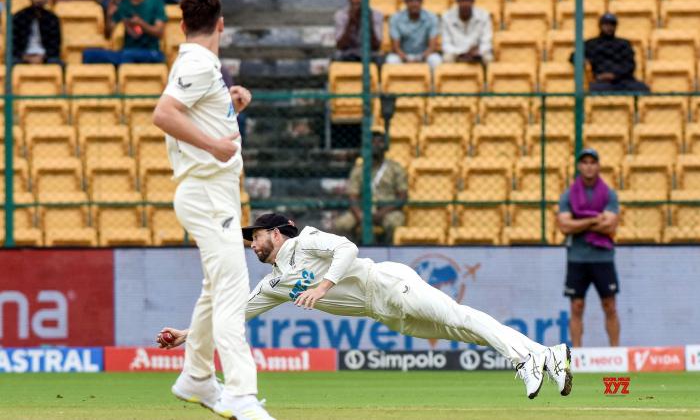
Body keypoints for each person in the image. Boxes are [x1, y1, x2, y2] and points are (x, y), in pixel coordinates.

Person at [157, 213, 574, 400]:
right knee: (462, 330)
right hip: (386, 312)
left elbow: (348, 248)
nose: (252, 243)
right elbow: (235, 316)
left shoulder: (305, 241)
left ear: (278, 233)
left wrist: (323, 286)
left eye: (257, 235)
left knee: (461, 318)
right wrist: (186, 334)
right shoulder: (275, 283)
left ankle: (525, 360)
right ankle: (547, 355)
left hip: (388, 283)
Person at [152, 0, 274, 420]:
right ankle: (241, 396)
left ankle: (196, 378)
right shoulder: (199, 63)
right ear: (221, 24)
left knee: (214, 290)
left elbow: (196, 121)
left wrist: (231, 108)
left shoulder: (201, 66)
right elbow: (164, 113)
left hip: (212, 191)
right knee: (232, 293)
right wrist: (215, 145)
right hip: (206, 192)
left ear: (183, 25)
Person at [557, 149, 621, 348]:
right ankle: (577, 354)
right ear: (579, 166)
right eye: (584, 162)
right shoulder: (568, 195)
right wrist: (595, 218)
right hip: (577, 258)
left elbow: (610, 225)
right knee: (576, 306)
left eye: (592, 162)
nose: (588, 166)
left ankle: (615, 352)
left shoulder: (609, 194)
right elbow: (564, 226)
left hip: (603, 257)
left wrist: (579, 222)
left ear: (598, 165)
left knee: (609, 306)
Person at [335, 129, 407, 244]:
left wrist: (381, 213)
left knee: (394, 223)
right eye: (373, 142)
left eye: (380, 142)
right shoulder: (358, 169)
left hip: (387, 210)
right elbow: (352, 197)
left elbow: (402, 197)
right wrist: (360, 215)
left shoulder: (395, 168)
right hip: (363, 210)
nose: (376, 145)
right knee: (342, 224)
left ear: (385, 146)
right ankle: (351, 250)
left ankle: (388, 251)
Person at [84, 0, 167, 65]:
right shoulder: (122, 4)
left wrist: (141, 23)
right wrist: (109, 16)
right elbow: (108, 34)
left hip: (151, 53)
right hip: (127, 53)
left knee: (126, 56)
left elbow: (159, 32)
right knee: (89, 54)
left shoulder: (156, 3)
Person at [577, 13, 649, 92]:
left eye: (612, 25)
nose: (609, 27)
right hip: (601, 81)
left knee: (642, 88)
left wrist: (614, 75)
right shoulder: (591, 44)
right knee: (596, 89)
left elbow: (630, 65)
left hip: (623, 80)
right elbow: (574, 56)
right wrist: (584, 60)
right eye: (606, 24)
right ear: (600, 26)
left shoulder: (624, 44)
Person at [386, 0, 442, 69]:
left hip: (424, 55)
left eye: (417, 0)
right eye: (411, 0)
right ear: (406, 2)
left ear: (422, 2)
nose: (414, 4)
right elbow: (396, 47)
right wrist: (406, 59)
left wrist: (420, 58)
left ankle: (431, 82)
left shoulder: (432, 18)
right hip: (403, 55)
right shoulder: (395, 18)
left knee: (436, 60)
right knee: (391, 60)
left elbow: (432, 46)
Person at [12, 0, 62, 65]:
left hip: (46, 57)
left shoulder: (52, 19)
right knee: (11, 62)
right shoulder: (19, 17)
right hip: (23, 56)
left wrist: (43, 57)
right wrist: (25, 57)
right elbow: (13, 44)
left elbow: (55, 45)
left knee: (59, 63)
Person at [441, 0, 493, 64]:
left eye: (468, 0)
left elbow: (487, 42)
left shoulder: (484, 15)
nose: (465, 4)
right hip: (456, 53)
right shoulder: (447, 17)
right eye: (462, 0)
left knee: (488, 58)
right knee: (447, 58)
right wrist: (462, 53)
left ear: (473, 1)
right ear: (457, 1)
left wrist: (477, 51)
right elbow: (446, 44)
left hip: (476, 54)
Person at [334, 0, 383, 64]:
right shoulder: (341, 15)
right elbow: (340, 46)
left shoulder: (376, 15)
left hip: (369, 54)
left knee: (380, 60)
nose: (358, 1)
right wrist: (350, 23)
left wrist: (369, 23)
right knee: (336, 58)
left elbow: (376, 46)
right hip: (348, 53)